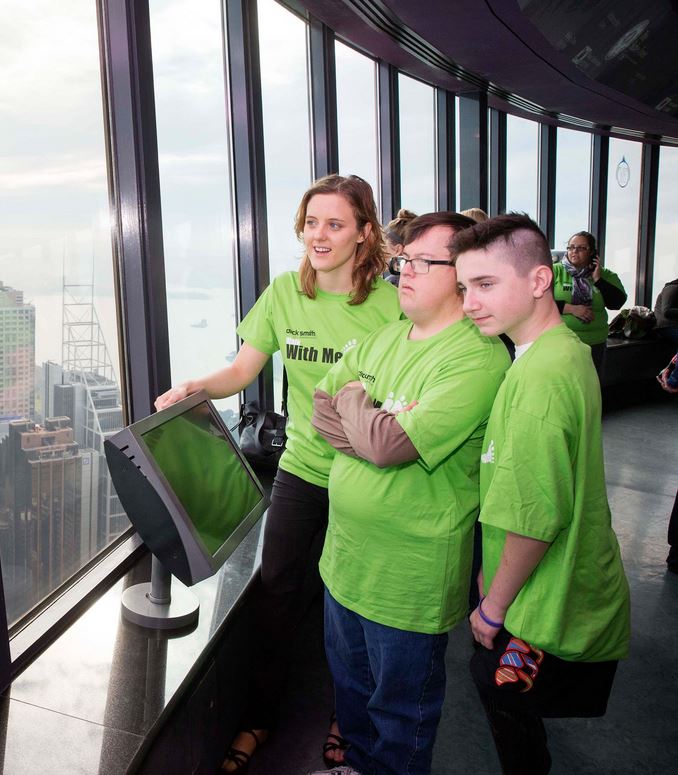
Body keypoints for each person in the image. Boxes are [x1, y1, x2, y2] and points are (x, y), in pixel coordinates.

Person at [154, 174, 400, 773]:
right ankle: (259, 717)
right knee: (276, 594)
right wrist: (193, 385)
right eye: (312, 222)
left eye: (335, 224)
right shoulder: (287, 292)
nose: (320, 235)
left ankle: (350, 717)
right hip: (303, 469)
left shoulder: (392, 307)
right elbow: (242, 371)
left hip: (366, 477)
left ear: (365, 233)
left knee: (357, 604)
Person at [307, 212, 510, 775]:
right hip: (344, 562)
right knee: (351, 695)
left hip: (408, 578)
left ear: (463, 275)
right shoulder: (387, 335)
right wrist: (368, 423)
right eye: (404, 260)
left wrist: (361, 410)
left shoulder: (477, 357)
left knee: (401, 718)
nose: (406, 271)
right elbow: (320, 409)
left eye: (424, 262)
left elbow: (390, 447)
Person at [453, 214, 631, 775]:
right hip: (555, 583)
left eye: (485, 285)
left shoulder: (538, 383)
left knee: (499, 688)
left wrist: (493, 607)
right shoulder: (562, 349)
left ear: (537, 281)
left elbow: (537, 517)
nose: (468, 304)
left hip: (536, 603)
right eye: (463, 287)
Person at [553, 230, 627, 370]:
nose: (575, 251)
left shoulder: (606, 275)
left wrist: (598, 280)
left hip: (595, 343)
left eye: (582, 248)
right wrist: (570, 308)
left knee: (591, 387)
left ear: (592, 252)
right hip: (561, 341)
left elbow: (616, 303)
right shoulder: (554, 271)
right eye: (571, 247)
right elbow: (536, 302)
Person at [381, 209, 417, 287]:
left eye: (384, 247)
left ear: (398, 249)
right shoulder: (425, 277)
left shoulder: (393, 283)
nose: (381, 252)